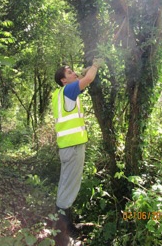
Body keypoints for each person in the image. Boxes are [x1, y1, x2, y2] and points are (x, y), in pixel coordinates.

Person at [52, 58, 104, 238]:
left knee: (66, 184)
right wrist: (96, 65)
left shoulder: (61, 93)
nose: (74, 73)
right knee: (69, 186)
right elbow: (88, 79)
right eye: (69, 73)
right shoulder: (68, 90)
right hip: (72, 147)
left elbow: (82, 76)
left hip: (68, 146)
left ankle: (64, 225)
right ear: (63, 80)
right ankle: (64, 230)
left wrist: (86, 69)